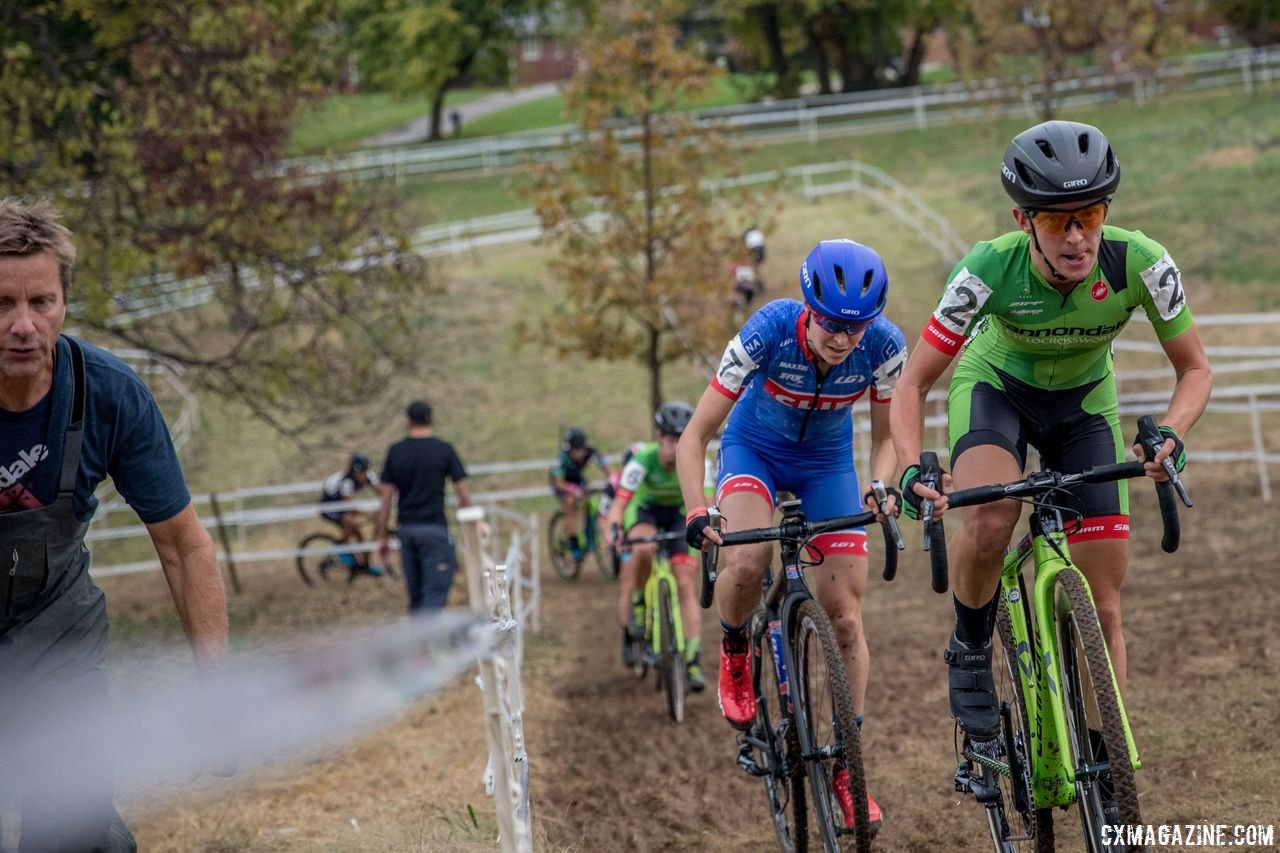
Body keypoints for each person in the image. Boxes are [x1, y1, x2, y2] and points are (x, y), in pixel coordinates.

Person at [888, 120, 1212, 745]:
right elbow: (911, 383)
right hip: (996, 392)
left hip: (1085, 405)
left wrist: (1170, 432)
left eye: (1089, 215)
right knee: (990, 515)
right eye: (1057, 219)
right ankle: (972, 642)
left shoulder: (1140, 261)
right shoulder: (987, 268)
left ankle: (1108, 763)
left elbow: (1195, 369)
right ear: (1023, 220)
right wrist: (909, 465)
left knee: (1105, 605)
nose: (1077, 236)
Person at [0, 198, 230, 850]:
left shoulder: (109, 394)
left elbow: (186, 547)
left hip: (59, 637)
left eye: (40, 302)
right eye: (2, 304)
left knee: (67, 825)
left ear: (65, 302)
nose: (22, 325)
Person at [678, 238, 906, 835]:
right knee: (749, 557)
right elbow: (693, 435)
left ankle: (847, 772)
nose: (844, 338)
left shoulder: (883, 346)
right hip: (754, 449)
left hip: (827, 463)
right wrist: (698, 510)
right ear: (808, 307)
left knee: (847, 619)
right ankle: (733, 648)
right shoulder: (768, 331)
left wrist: (882, 486)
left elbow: (887, 439)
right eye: (832, 322)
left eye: (857, 326)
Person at [606, 402, 705, 691]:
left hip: (678, 513)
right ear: (658, 437)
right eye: (671, 440)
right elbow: (620, 503)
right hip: (646, 510)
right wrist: (614, 527)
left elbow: (704, 503)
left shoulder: (698, 459)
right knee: (643, 548)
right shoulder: (641, 461)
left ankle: (693, 659)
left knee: (685, 584)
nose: (676, 447)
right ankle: (639, 600)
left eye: (681, 439)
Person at [376, 400, 474, 612]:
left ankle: (418, 644)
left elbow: (385, 500)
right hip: (434, 530)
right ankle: (428, 644)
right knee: (435, 595)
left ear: (408, 421)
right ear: (431, 419)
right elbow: (463, 494)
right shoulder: (444, 450)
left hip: (407, 531)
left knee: (416, 597)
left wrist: (382, 536)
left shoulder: (396, 451)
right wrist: (472, 524)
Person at [549, 426, 612, 562]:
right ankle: (573, 544)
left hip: (577, 479)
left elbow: (606, 468)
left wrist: (614, 481)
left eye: (580, 449)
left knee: (588, 502)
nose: (578, 454)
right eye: (574, 451)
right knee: (570, 503)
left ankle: (587, 533)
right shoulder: (561, 459)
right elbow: (559, 482)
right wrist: (572, 490)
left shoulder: (591, 452)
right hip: (560, 482)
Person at [319, 451, 381, 574]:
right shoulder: (346, 481)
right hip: (330, 507)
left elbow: (381, 492)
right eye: (359, 473)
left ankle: (365, 565)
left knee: (359, 535)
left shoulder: (369, 475)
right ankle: (340, 548)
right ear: (353, 471)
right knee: (353, 525)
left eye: (364, 472)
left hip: (342, 505)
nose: (362, 476)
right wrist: (368, 514)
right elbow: (348, 505)